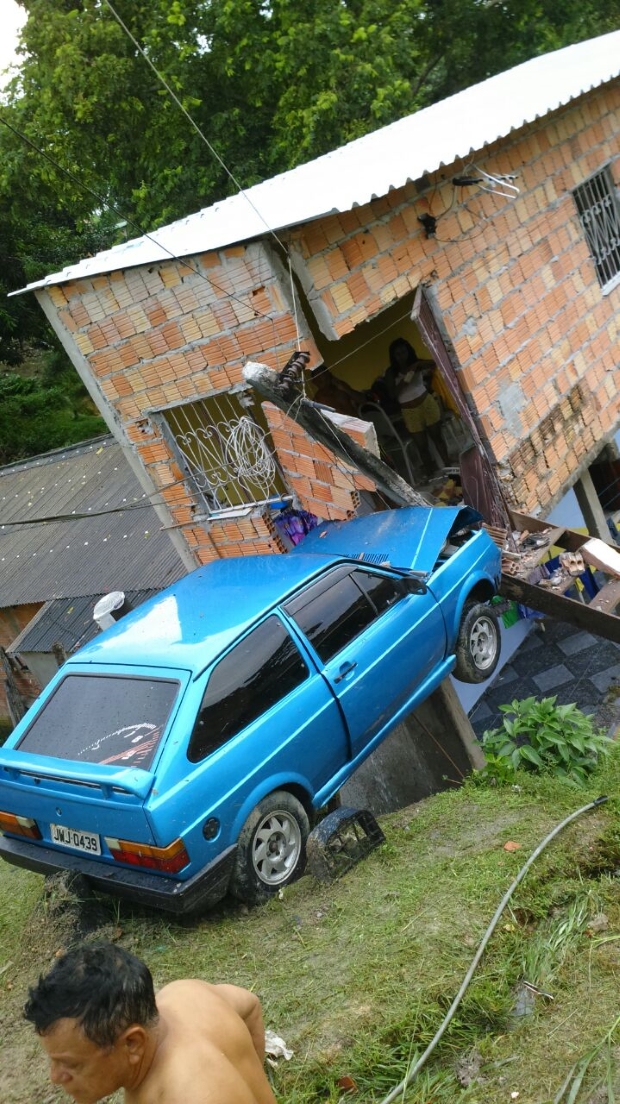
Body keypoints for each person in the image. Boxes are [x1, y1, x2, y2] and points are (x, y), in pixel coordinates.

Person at [24, 941, 278, 1104]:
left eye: (71, 1064)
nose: (55, 1077)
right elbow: (251, 1006)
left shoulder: (191, 1095)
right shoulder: (185, 993)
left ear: (133, 1043)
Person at [373, 337, 448, 479]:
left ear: (409, 351)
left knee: (437, 438)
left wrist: (416, 365)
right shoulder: (391, 372)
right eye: (398, 354)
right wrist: (406, 378)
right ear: (393, 356)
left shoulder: (416, 364)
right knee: (422, 446)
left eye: (404, 352)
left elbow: (434, 363)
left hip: (426, 403)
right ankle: (432, 475)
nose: (401, 356)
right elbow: (393, 394)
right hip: (409, 411)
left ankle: (449, 468)